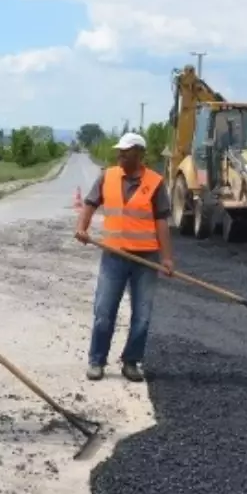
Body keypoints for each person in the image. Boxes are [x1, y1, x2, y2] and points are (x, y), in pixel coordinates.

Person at [74, 132, 174, 383]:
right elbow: (90, 203)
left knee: (142, 314)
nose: (120, 155)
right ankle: (97, 361)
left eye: (125, 152)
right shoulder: (107, 176)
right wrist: (82, 227)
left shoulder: (155, 182)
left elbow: (162, 221)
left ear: (139, 154)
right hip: (114, 255)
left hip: (146, 259)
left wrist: (167, 257)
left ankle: (131, 362)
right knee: (104, 311)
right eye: (119, 151)